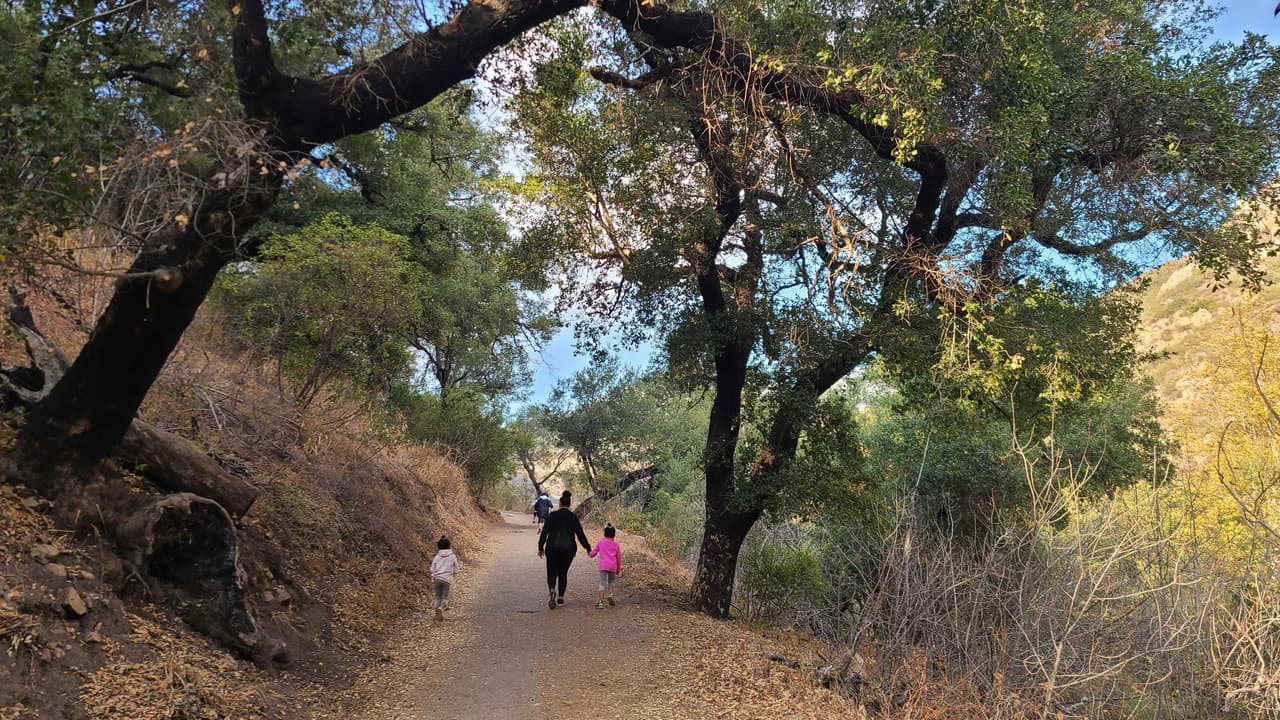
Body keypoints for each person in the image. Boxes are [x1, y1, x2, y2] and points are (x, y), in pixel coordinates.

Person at [537, 490, 591, 609]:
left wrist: (540, 547)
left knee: (551, 571)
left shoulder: (552, 516)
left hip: (552, 548)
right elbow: (580, 535)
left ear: (560, 503)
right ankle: (560, 598)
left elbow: (544, 533)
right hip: (568, 550)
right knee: (563, 573)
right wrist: (588, 548)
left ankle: (552, 590)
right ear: (569, 504)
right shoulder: (573, 517)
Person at [587, 523, 622, 609]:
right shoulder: (616, 545)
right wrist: (618, 569)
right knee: (611, 582)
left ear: (604, 533)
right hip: (613, 566)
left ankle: (601, 602)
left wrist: (589, 553)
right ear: (614, 534)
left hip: (603, 566)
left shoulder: (601, 542)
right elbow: (619, 558)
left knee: (602, 583)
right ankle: (610, 594)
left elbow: (593, 553)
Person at [430, 536, 460, 621]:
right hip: (447, 580)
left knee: (437, 597)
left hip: (437, 579)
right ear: (449, 546)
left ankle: (437, 616)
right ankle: (441, 609)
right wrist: (453, 572)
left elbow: (432, 569)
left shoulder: (436, 557)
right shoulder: (452, 556)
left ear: (438, 547)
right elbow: (457, 569)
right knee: (445, 598)